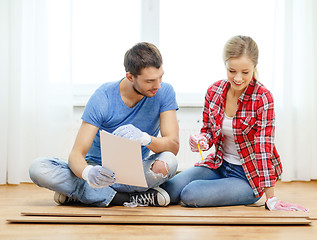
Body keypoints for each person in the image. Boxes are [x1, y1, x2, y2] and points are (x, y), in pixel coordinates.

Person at [161, 35, 308, 212]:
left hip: (247, 176)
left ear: (255, 67)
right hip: (219, 165)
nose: (238, 78)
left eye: (245, 72)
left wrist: (272, 199)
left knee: (190, 194)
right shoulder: (214, 91)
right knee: (169, 189)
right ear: (225, 66)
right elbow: (208, 131)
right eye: (232, 71)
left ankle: (238, 192)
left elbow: (263, 149)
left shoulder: (263, 98)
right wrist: (202, 139)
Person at [29, 42, 179, 207]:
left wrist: (145, 139)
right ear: (130, 77)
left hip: (133, 172)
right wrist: (88, 173)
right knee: (38, 168)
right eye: (149, 81)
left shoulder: (164, 92)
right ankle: (129, 198)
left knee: (169, 161)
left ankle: (82, 194)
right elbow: (76, 155)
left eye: (160, 77)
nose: (157, 85)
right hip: (98, 172)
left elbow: (173, 146)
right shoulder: (103, 98)